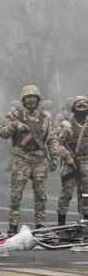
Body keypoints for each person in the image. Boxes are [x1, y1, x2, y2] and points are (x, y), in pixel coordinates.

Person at [0, 85, 59, 233]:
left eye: (33, 97)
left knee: (41, 195)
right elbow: (2, 133)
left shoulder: (45, 117)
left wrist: (54, 157)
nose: (31, 100)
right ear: (23, 99)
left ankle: (40, 225)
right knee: (16, 194)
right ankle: (13, 225)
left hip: (39, 159)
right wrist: (15, 125)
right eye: (28, 97)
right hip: (22, 158)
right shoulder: (15, 115)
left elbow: (52, 138)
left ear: (38, 99)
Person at [56, 96, 88, 225]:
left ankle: (85, 220)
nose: (81, 109)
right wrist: (67, 157)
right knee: (67, 193)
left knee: (86, 194)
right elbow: (57, 144)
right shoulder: (66, 124)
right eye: (79, 106)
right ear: (74, 108)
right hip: (71, 163)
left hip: (85, 162)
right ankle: (61, 221)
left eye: (84, 107)